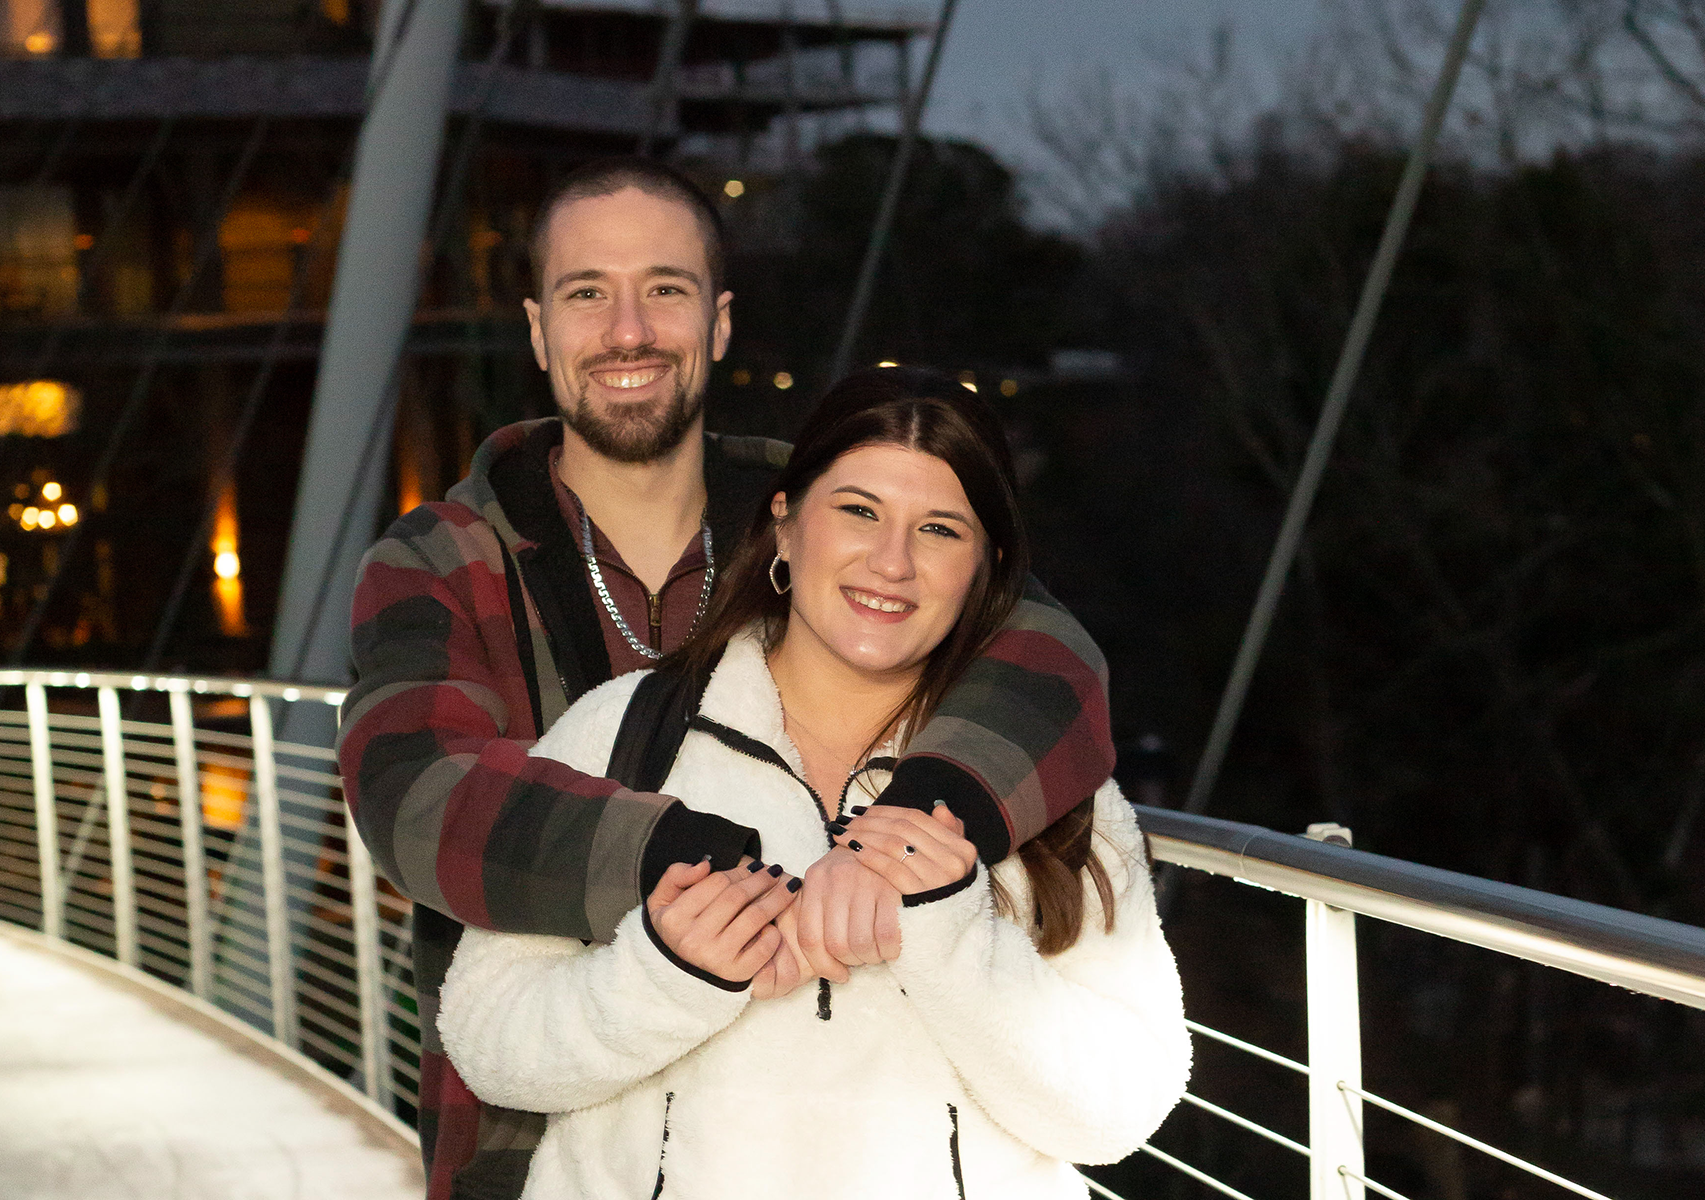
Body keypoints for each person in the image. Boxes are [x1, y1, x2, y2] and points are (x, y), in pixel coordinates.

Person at [337, 159, 1118, 1200]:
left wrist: (914, 835)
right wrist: (701, 864)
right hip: (538, 1143)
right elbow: (419, 795)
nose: (628, 329)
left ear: (719, 322)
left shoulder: (833, 515)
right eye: (586, 294)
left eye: (666, 288)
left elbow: (1047, 653)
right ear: (537, 330)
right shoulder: (442, 560)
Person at [436, 368, 1190, 1199]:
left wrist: (949, 931)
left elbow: (1122, 1107)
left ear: (988, 566)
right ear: (787, 525)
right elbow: (485, 1040)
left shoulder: (1044, 784)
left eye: (940, 529)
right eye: (858, 511)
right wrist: (663, 975)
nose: (892, 562)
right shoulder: (622, 733)